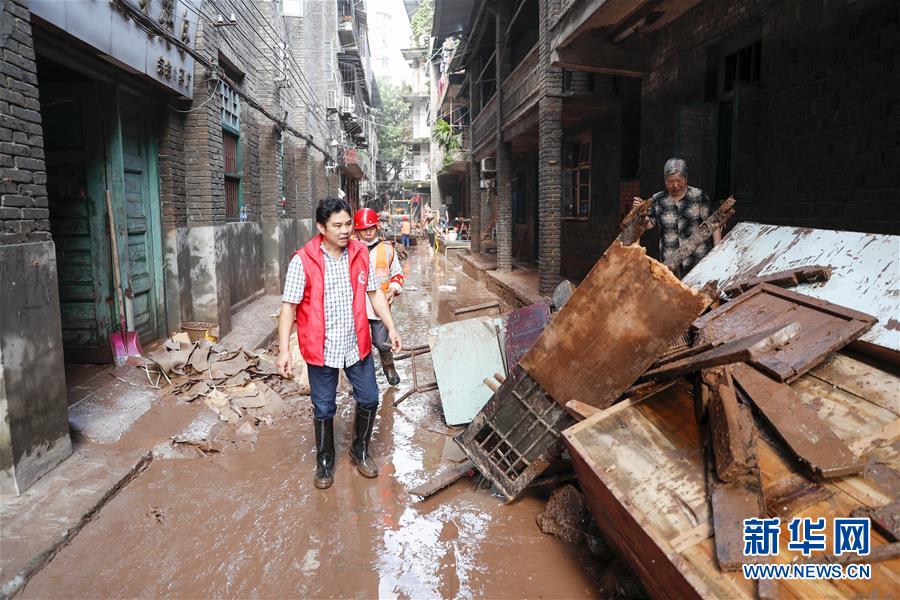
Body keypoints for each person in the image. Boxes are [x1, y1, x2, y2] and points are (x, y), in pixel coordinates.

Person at [276, 198, 402, 490]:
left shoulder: (360, 253)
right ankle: (325, 459)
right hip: (320, 348)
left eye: (348, 224)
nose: (346, 231)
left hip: (356, 343)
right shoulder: (303, 260)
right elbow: (288, 308)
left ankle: (359, 449)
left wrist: (391, 328)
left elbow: (373, 293)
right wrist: (284, 350)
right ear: (321, 227)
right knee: (323, 408)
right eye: (338, 226)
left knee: (369, 398)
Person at [633, 158, 721, 278]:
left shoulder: (698, 196)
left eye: (679, 180)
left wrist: (718, 250)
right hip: (670, 263)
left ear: (686, 178)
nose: (675, 185)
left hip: (698, 259)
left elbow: (714, 223)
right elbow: (648, 224)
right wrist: (641, 212)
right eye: (670, 181)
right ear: (665, 180)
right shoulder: (658, 199)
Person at [353, 207, 404, 386]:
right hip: (356, 305)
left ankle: (388, 366)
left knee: (382, 343)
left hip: (380, 305)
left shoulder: (388, 249)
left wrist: (393, 288)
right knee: (358, 343)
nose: (368, 232)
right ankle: (359, 379)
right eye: (363, 229)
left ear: (377, 227)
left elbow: (397, 273)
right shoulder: (350, 249)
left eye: (371, 228)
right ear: (357, 230)